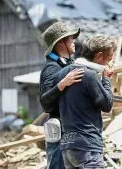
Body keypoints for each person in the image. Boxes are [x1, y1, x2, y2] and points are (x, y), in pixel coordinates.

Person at [55, 34, 116, 169]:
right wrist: (105, 79)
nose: (109, 63)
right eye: (109, 59)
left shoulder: (62, 74)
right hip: (87, 146)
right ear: (99, 56)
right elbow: (107, 105)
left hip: (67, 146)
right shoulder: (89, 76)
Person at [40, 22, 84, 169]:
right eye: (71, 39)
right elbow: (46, 103)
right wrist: (62, 84)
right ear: (60, 43)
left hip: (71, 132)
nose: (74, 42)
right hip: (59, 133)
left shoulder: (66, 65)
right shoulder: (51, 68)